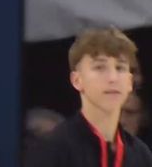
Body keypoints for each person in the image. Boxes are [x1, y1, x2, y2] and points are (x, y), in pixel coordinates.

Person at [25, 28, 152, 167]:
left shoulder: (141, 155)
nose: (112, 78)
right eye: (100, 68)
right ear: (77, 80)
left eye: (120, 68)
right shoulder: (54, 149)